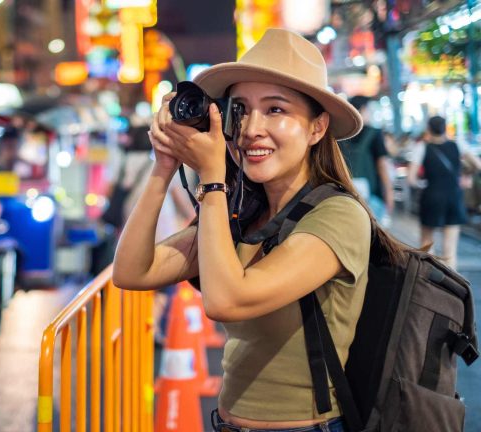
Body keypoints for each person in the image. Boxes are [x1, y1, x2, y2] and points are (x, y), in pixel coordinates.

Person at [112, 28, 407, 431]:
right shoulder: (242, 214)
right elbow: (132, 271)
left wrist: (213, 180)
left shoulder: (338, 215)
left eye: (275, 110)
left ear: (317, 128)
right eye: (241, 110)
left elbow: (227, 301)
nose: (251, 129)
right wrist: (163, 167)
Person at [408, 115, 481, 269]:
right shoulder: (457, 145)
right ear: (445, 128)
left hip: (432, 196)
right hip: (454, 196)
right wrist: (465, 174)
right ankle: (452, 287)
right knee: (450, 250)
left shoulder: (422, 147)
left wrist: (423, 184)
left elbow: (411, 179)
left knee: (427, 244)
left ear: (428, 129)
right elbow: (477, 165)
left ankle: (430, 283)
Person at [339, 95, 395, 225]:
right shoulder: (374, 133)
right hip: (373, 193)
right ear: (363, 109)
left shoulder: (340, 134)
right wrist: (389, 192)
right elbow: (382, 164)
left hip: (345, 193)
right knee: (375, 234)